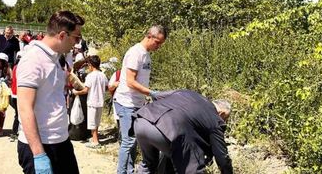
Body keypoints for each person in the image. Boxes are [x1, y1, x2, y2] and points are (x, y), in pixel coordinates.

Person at [17, 11, 85, 174]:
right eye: (76, 37)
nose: (77, 44)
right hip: (42, 145)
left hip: (60, 142)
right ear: (62, 35)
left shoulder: (54, 58)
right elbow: (25, 108)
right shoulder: (33, 59)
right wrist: (39, 154)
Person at [133, 90, 233, 174]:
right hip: (166, 131)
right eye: (225, 119)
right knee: (193, 168)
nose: (223, 122)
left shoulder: (189, 93)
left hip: (142, 120)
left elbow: (157, 95)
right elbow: (222, 157)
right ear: (221, 113)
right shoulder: (215, 118)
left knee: (149, 164)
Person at [115, 25, 168, 174]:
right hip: (126, 103)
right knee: (128, 142)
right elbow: (131, 82)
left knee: (133, 141)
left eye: (161, 44)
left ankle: (129, 171)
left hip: (137, 103)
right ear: (149, 36)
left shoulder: (146, 54)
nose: (158, 46)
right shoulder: (135, 53)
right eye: (157, 42)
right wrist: (151, 93)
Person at [72, 55, 108, 148]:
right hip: (100, 101)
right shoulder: (103, 75)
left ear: (91, 65)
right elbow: (106, 87)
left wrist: (76, 92)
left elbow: (85, 90)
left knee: (92, 122)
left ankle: (95, 142)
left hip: (92, 101)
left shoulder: (90, 76)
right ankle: (95, 138)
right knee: (97, 121)